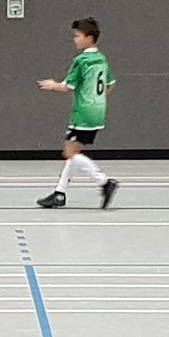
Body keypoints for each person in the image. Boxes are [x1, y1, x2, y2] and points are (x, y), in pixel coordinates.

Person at [35, 17, 120, 209]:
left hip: (83, 113)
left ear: (89, 38)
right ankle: (59, 193)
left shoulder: (81, 60)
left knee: (70, 152)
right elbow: (111, 83)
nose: (75, 39)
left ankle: (104, 182)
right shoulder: (101, 59)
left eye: (78, 36)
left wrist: (52, 85)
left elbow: (68, 86)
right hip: (98, 111)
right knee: (73, 152)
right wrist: (97, 100)